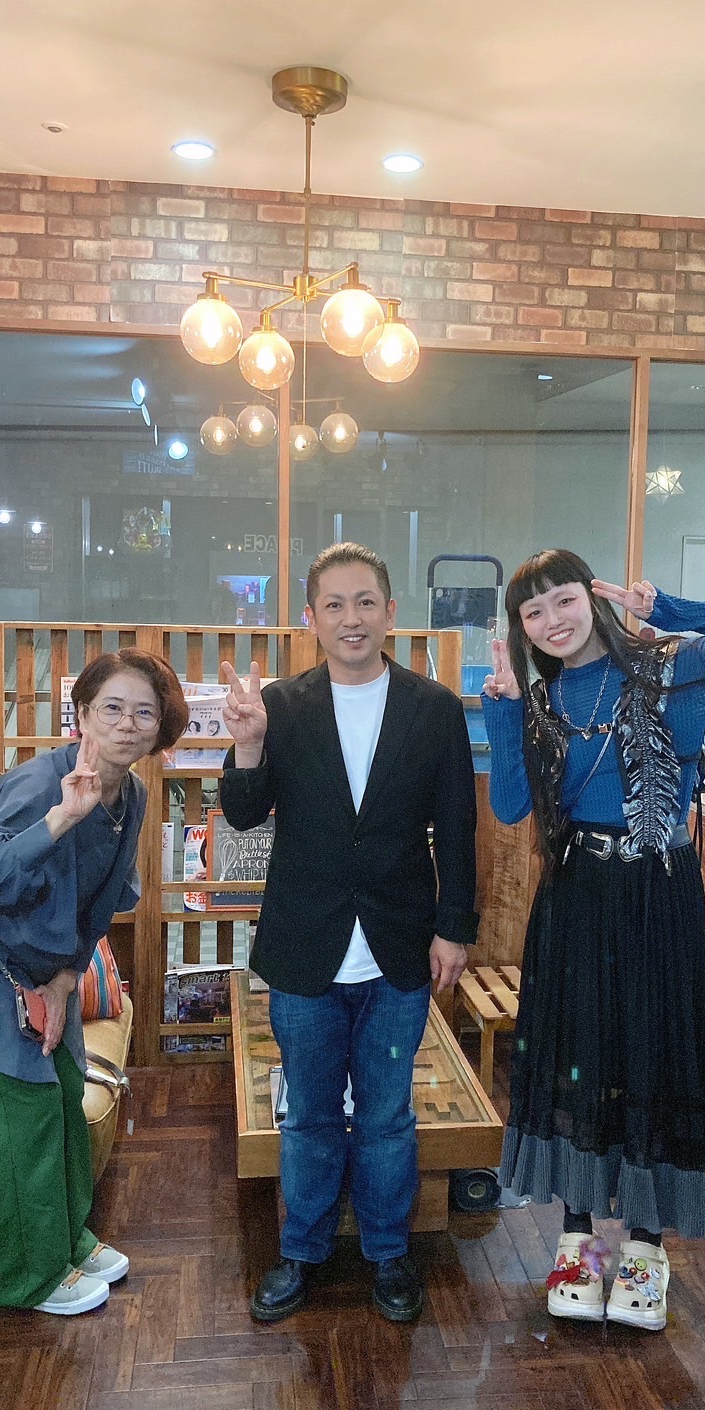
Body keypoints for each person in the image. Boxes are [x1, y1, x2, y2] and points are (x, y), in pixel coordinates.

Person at [481, 550, 705, 1332]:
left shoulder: (673, 672)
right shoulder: (540, 700)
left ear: (593, 597)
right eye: (532, 612)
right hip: (577, 895)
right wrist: (504, 707)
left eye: (564, 599)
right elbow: (512, 808)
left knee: (655, 1053)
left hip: (658, 893)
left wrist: (667, 607)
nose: (552, 620)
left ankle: (647, 1248)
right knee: (579, 1054)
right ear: (521, 629)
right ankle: (580, 1240)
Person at [220, 541, 478, 1324]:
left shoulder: (434, 707)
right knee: (308, 1115)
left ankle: (388, 1252)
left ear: (390, 611)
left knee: (388, 1117)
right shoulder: (281, 703)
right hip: (305, 948)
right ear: (311, 618)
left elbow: (458, 829)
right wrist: (248, 742)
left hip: (399, 948)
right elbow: (242, 815)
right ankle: (300, 1249)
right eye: (334, 604)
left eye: (365, 601)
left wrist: (455, 928)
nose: (351, 617)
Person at [0, 649, 188, 1315]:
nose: (126, 724)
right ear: (82, 714)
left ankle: (66, 1240)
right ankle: (25, 1277)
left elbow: (101, 901)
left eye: (144, 712)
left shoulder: (133, 794)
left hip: (42, 968)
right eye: (111, 708)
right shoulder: (37, 787)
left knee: (65, 1091)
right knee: (23, 1117)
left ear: (161, 727)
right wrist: (61, 817)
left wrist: (65, 980)